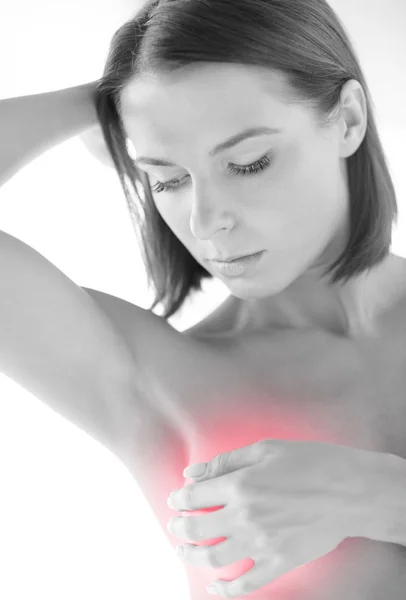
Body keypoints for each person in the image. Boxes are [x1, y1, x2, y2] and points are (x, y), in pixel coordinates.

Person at [1, 0, 406, 598]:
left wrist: (380, 496)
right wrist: (112, 98)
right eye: (166, 178)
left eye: (248, 162)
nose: (206, 220)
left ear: (347, 120)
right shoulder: (161, 378)